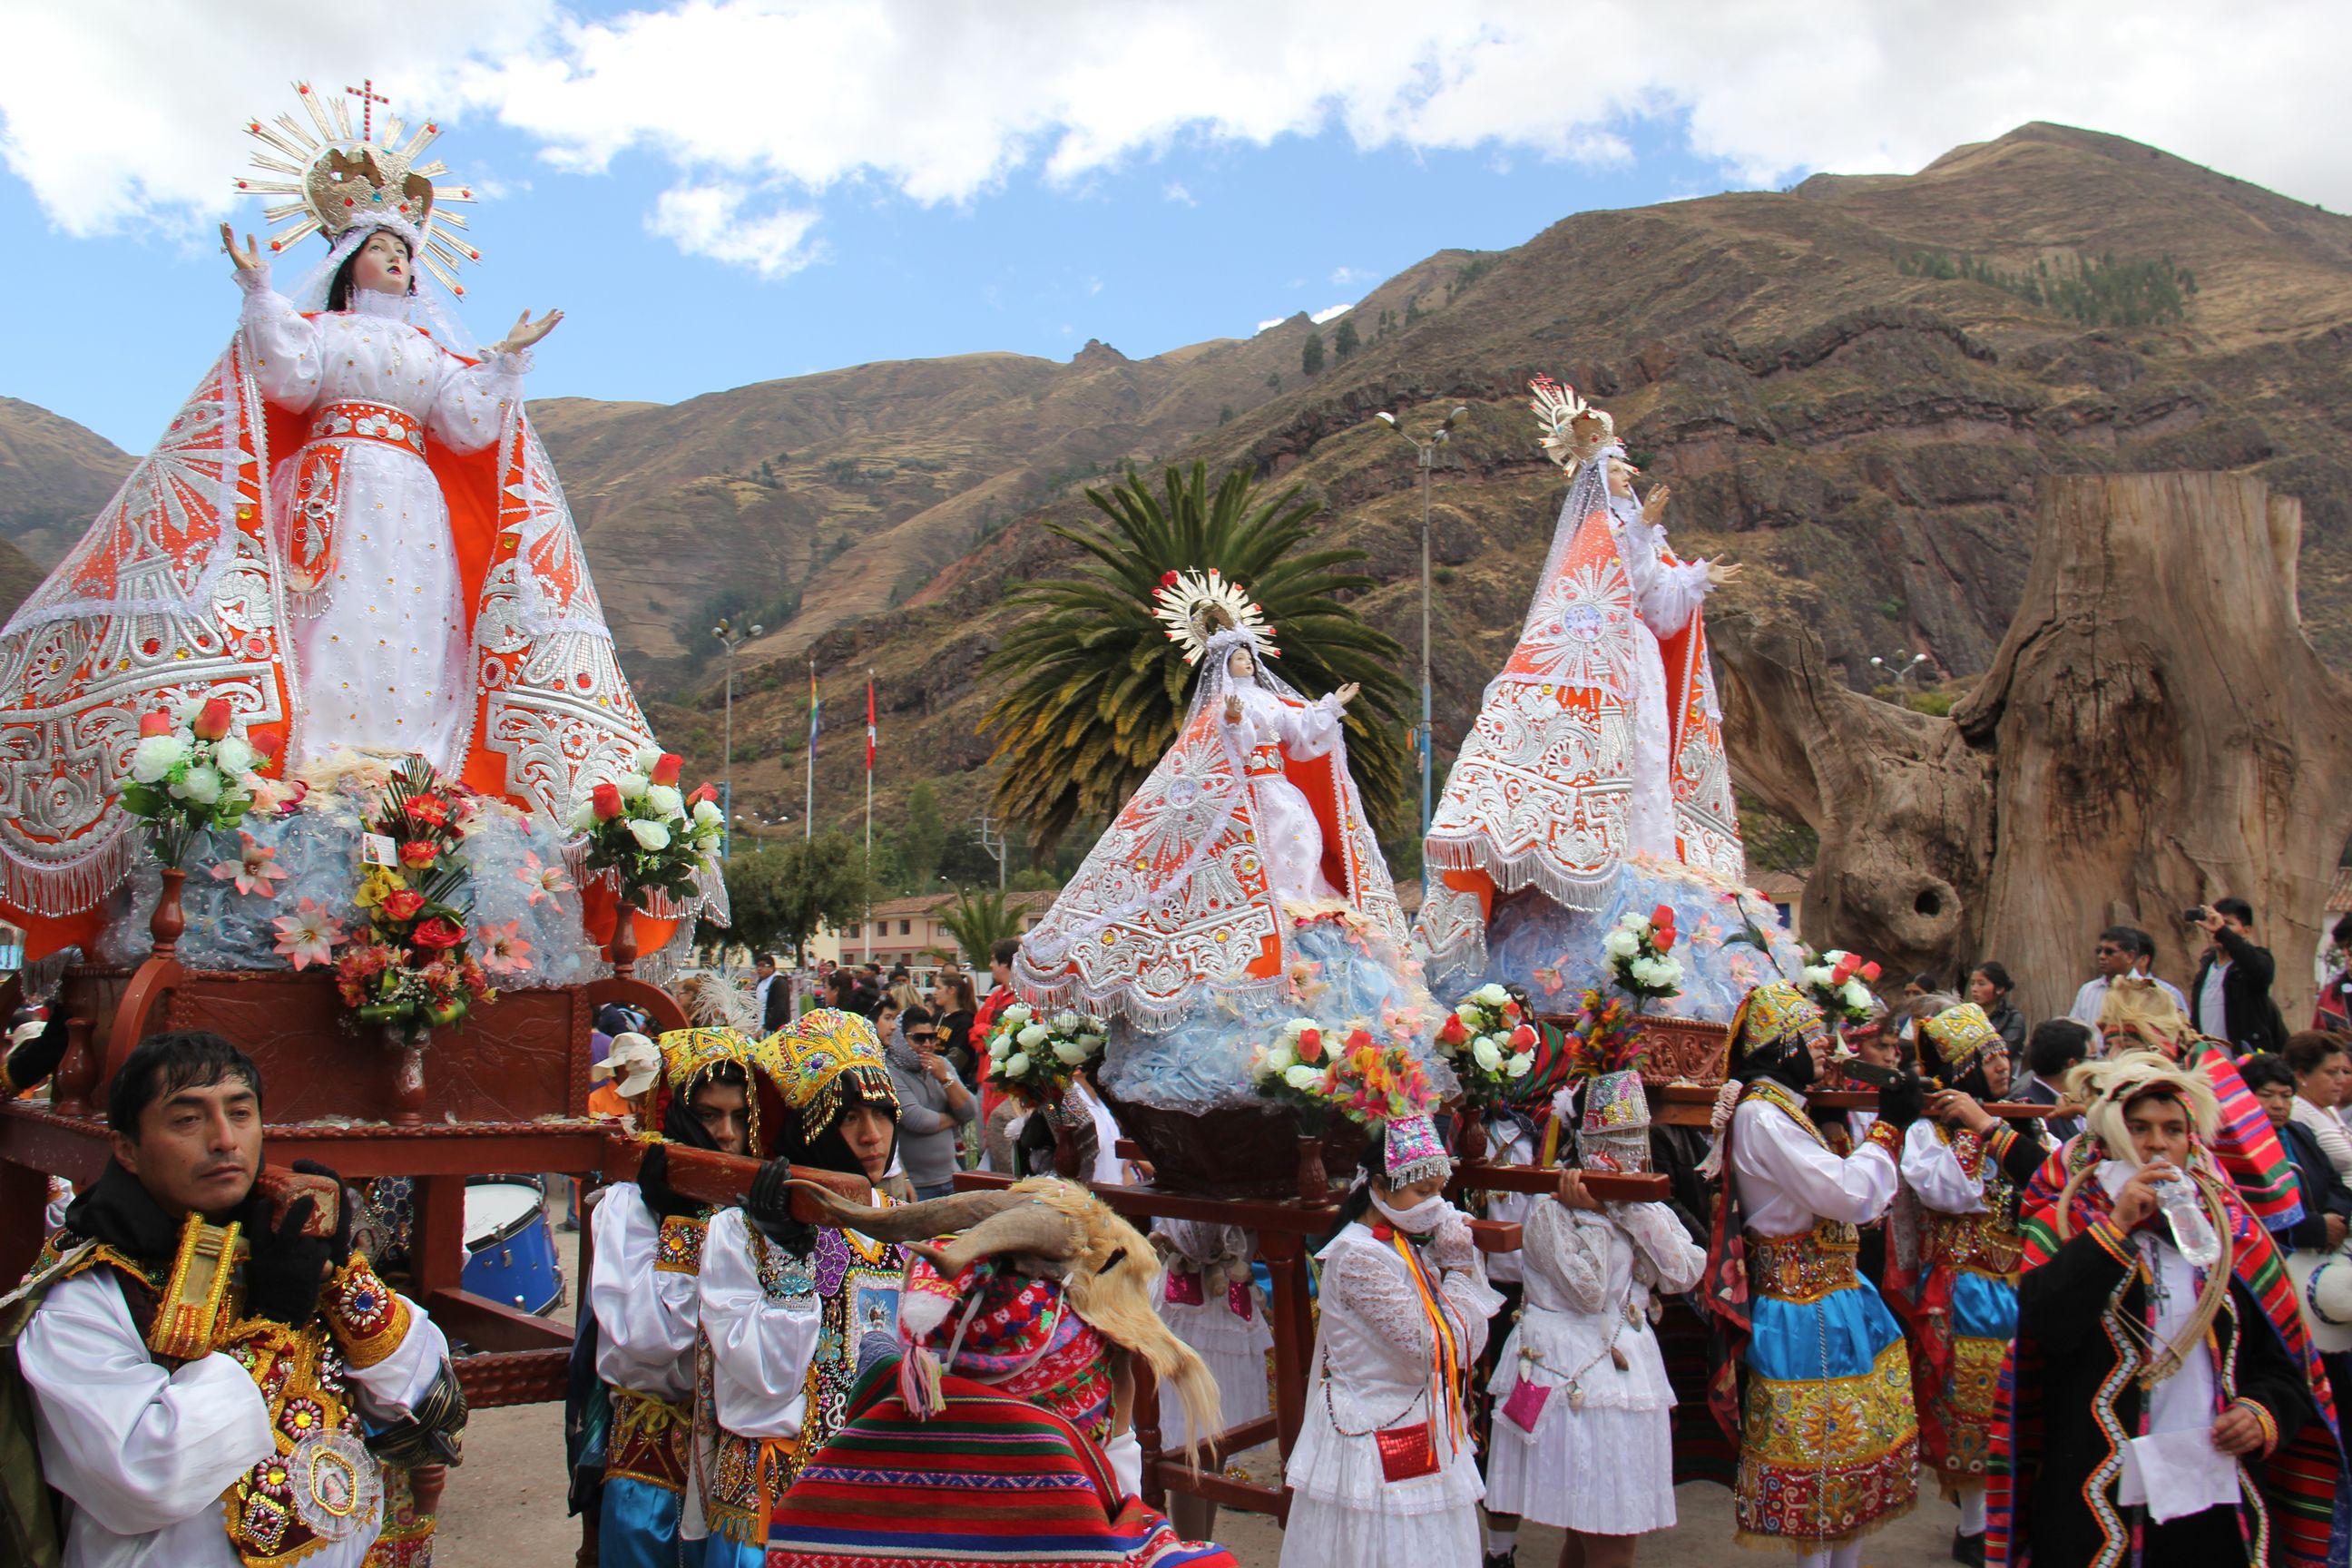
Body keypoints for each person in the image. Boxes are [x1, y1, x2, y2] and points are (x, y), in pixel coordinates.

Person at [12, 1031, 463, 1566]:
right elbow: (146, 1477)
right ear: (127, 1150)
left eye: (241, 1113)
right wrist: (271, 1327)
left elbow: (428, 1406)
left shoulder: (279, 1249)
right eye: (187, 1119)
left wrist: (340, 1278)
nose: (224, 1140)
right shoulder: (88, 1298)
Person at [1417, 379, 1742, 985]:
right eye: (1617, 468)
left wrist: (1697, 581)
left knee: (1648, 767)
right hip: (1601, 676)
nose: (1628, 475)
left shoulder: (1640, 530)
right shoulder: (1601, 535)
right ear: (1597, 476)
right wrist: (1640, 533)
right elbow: (1604, 595)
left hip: (1640, 664)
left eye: (1627, 467)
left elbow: (1660, 609)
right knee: (1618, 767)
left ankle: (1650, 868)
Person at [763, 1177, 1233, 1567]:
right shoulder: (1108, 1547)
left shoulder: (819, 1506)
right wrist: (1119, 1447)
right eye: (1116, 1365)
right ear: (1087, 1396)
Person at [1993, 1054, 2347, 1566]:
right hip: (2096, 1492)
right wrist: (2115, 1231)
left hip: (2215, 1490)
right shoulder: (2064, 1222)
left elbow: (2285, 1363)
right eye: (2138, 1128)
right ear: (2112, 1136)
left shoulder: (2235, 1234)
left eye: (2173, 1129)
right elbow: (2045, 1327)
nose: (2157, 1143)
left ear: (2192, 1140)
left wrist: (2261, 1412)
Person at [1699, 980, 1919, 1566]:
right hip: (1801, 1310)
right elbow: (1847, 1194)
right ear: (1777, 1046)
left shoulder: (1789, 1111)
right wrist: (1890, 1130)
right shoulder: (1763, 1118)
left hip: (1837, 1299)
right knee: (1818, 1467)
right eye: (1811, 1037)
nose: (1826, 1047)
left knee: (1853, 1463)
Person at [691, 1009, 904, 1566]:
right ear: (809, 1126)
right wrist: (788, 1257)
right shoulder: (740, 1230)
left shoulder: (904, 1224)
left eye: (882, 1114)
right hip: (775, 1494)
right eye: (848, 1117)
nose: (871, 1135)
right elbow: (764, 1376)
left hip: (872, 1494)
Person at [581, 1026, 779, 1568]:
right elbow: (649, 1337)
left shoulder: (760, 1204)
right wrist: (681, 1223)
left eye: (740, 1118)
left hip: (739, 1460)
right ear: (673, 1115)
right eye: (709, 1117)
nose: (726, 1134)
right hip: (655, 1463)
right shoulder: (629, 1207)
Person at [1483, 1109, 1704, 1568]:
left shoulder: (1637, 1203)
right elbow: (1590, 1292)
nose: (1625, 1152)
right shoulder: (1549, 1208)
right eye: (1613, 1139)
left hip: (1623, 1377)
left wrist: (1630, 1211)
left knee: (1597, 1532)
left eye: (1634, 1137)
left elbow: (1683, 1272)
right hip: (1573, 1376)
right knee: (1605, 1533)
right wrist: (1598, 1218)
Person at [1282, 1113, 1503, 1568]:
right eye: (1423, 1192)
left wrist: (1450, 1267)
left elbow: (1461, 1340)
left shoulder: (1404, 1245)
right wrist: (1460, 1270)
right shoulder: (1360, 1256)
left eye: (1440, 1191)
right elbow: (1440, 1347)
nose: (1436, 1204)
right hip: (1373, 1429)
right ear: (1379, 1188)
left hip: (1421, 1423)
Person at [1896, 1003, 2049, 1564]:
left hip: (2020, 1279)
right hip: (1966, 1286)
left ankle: (2010, 1518)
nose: (2003, 1065)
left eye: (2004, 1054)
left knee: (2018, 1402)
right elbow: (1948, 1193)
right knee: (1972, 1406)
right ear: (1961, 1068)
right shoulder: (1926, 1129)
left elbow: (2047, 1184)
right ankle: (1977, 1526)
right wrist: (1973, 1132)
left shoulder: (2022, 1122)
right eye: (1987, 1058)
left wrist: (1995, 1127)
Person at [1149, 1220, 1272, 1543]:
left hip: (1226, 1301)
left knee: (1215, 1442)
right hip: (1186, 1308)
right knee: (1191, 1443)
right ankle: (1192, 1550)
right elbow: (1192, 1238)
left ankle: (1203, 1544)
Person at [2244, 1052, 2352, 1254]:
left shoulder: (2299, 1132)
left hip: (2323, 1244)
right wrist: (2317, 1227)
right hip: (2276, 1250)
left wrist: (2335, 1217)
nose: (2278, 1105)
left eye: (2286, 1096)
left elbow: (2335, 1184)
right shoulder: (2235, 1147)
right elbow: (2253, 1208)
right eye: (2267, 1095)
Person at [887, 1004, 975, 1200]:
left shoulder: (941, 1065)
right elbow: (917, 1120)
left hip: (952, 1176)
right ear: (901, 1039)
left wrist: (945, 1079)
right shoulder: (890, 1071)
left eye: (932, 1037)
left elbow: (970, 1111)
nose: (927, 1044)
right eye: (919, 1038)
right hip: (918, 1186)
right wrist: (955, 1118)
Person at [2191, 898, 2285, 1057]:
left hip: (2247, 1064)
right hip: (2211, 1068)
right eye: (2215, 921)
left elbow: (2259, 970)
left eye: (2227, 924)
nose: (2217, 928)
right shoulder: (2205, 971)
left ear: (2246, 930)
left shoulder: (2254, 963)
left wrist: (2223, 932)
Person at [2069, 926, 2190, 1025]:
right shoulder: (2088, 991)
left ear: (2130, 956)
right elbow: (2075, 1032)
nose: (2102, 956)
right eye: (2099, 951)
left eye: (2109, 952)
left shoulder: (2154, 992)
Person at [2283, 1032, 2352, 1183]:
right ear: (2301, 1075)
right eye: (2331, 1072)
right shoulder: (2297, 1113)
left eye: (2344, 1071)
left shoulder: (2328, 1108)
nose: (2341, 1080)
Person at [2014, 1019, 2092, 1142]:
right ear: (2072, 1064)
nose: (2094, 1067)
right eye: (2090, 1059)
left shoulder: (2079, 1101)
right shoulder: (2029, 1111)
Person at [1966, 962, 2027, 1063]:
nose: (1974, 989)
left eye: (1981, 984)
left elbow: (2003, 1051)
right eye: (1972, 983)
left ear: (1999, 989)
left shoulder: (2013, 1019)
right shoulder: (1966, 1013)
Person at [2314, 914, 2352, 1032]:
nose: (2346, 954)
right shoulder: (2331, 994)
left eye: (2350, 947)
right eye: (2342, 948)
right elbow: (2317, 1035)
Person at [755, 954, 791, 1033]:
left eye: (762, 966)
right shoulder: (760, 982)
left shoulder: (779, 982)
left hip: (774, 1029)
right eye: (757, 966)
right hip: (760, 1027)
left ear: (771, 967)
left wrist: (766, 1027)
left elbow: (780, 1007)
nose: (759, 969)